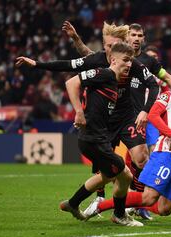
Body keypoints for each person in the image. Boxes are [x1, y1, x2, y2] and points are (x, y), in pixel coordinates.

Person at [15, 22, 159, 214]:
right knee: (109, 166)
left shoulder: (131, 63)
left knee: (141, 158)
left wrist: (145, 111)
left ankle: (135, 204)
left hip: (126, 117)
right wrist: (37, 64)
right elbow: (68, 66)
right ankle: (99, 199)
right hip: (104, 121)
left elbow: (154, 85)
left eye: (113, 46)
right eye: (106, 46)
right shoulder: (98, 60)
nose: (108, 50)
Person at [83, 74, 171, 220]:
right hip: (165, 156)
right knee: (149, 197)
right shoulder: (169, 97)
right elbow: (153, 115)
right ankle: (100, 207)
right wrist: (170, 134)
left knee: (165, 209)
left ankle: (134, 206)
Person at [60, 42, 143, 227]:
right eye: (126, 60)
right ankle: (119, 215)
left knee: (108, 176)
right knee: (125, 175)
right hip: (93, 139)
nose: (129, 64)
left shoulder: (112, 80)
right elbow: (71, 82)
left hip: (97, 138)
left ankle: (72, 203)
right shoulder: (105, 74)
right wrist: (79, 112)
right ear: (113, 60)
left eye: (131, 61)